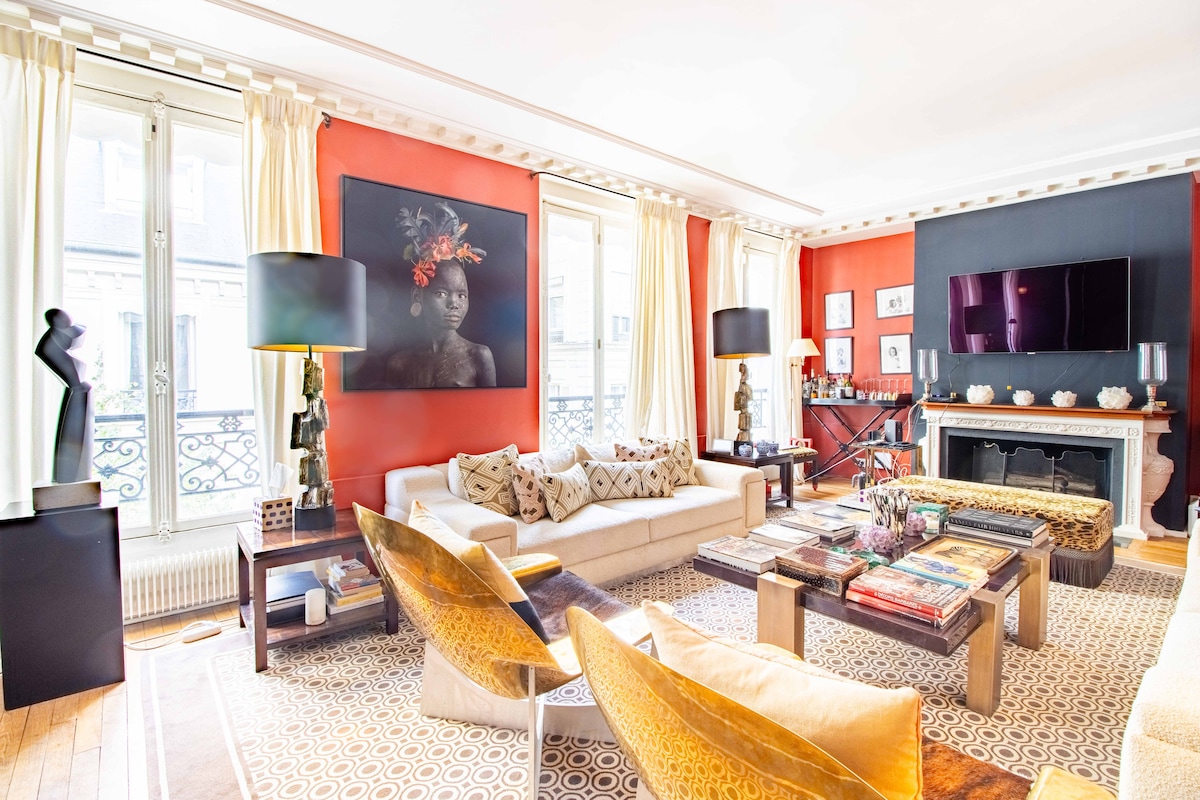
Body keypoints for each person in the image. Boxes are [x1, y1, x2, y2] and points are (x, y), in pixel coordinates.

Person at [385, 202, 497, 388]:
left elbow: (493, 405)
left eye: (462, 295)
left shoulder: (478, 356)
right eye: (441, 293)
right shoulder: (400, 363)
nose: (454, 304)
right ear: (417, 296)